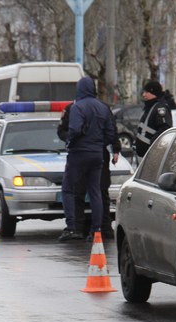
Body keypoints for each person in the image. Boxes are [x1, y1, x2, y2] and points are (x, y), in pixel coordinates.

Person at [58, 76, 116, 242]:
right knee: (95, 191)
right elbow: (111, 133)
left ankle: (72, 227)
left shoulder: (77, 107)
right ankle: (96, 229)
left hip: (79, 154)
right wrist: (98, 144)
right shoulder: (103, 107)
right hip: (97, 154)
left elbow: (75, 130)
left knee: (68, 189)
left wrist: (70, 142)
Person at [135, 80, 173, 160]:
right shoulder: (149, 106)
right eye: (144, 92)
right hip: (144, 155)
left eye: (147, 92)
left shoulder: (160, 108)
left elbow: (165, 128)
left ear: (154, 93)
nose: (144, 94)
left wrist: (152, 144)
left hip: (152, 155)